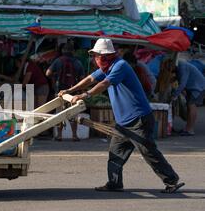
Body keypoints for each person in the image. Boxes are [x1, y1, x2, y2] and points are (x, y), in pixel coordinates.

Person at [59, 38, 184, 194]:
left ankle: (171, 180)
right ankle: (114, 183)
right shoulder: (107, 67)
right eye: (96, 56)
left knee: (148, 152)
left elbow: (104, 84)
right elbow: (91, 79)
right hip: (124, 122)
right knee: (115, 153)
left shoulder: (120, 66)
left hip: (138, 119)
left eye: (98, 56)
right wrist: (71, 91)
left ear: (106, 55)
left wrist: (85, 95)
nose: (96, 59)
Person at [46, 43, 85, 141]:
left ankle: (59, 135)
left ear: (63, 50)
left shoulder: (58, 61)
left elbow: (48, 73)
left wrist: (55, 77)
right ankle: (74, 135)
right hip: (73, 91)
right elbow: (82, 78)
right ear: (73, 51)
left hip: (60, 91)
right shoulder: (78, 62)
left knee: (59, 113)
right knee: (74, 113)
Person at [171, 60, 205, 136]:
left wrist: (175, 95)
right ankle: (187, 128)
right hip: (193, 88)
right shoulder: (178, 67)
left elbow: (182, 83)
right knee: (190, 106)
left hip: (198, 88)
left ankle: (190, 130)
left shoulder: (182, 66)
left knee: (191, 105)